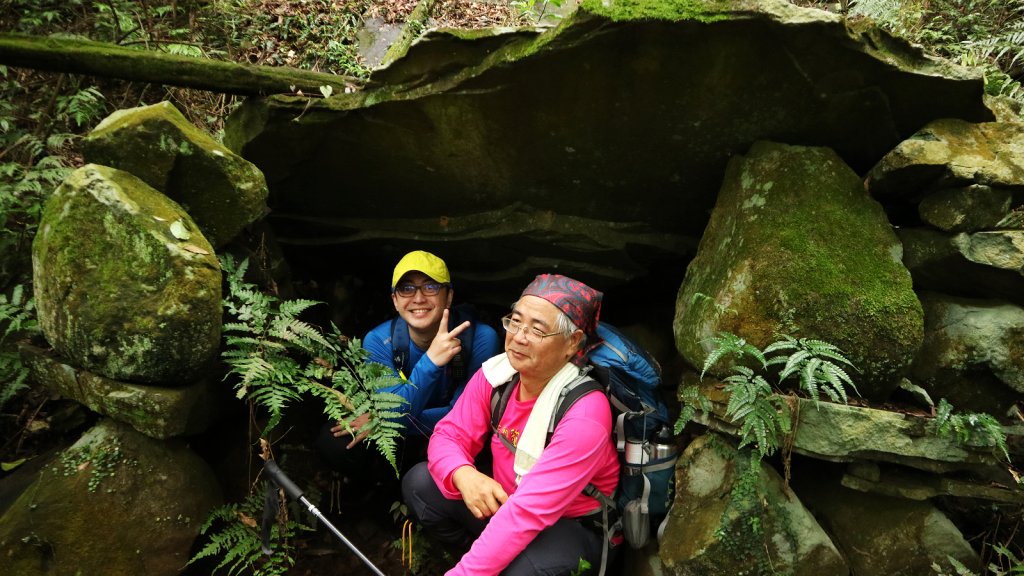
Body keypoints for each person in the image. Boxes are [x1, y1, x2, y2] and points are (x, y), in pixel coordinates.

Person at [401, 273, 619, 575]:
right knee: (421, 483)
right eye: (515, 321)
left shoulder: (585, 414)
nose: (518, 336)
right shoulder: (497, 376)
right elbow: (447, 435)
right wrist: (463, 474)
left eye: (537, 330)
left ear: (572, 343)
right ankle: (484, 558)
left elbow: (527, 513)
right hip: (509, 502)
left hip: (568, 526)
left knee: (521, 570)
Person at [317, 250, 500, 471]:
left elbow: (465, 417)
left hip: (453, 435)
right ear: (395, 300)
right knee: (335, 442)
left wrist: (382, 419)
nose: (419, 298)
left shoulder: (480, 339)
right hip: (401, 435)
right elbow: (391, 410)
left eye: (430, 287)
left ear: (449, 296)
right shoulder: (379, 341)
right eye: (406, 289)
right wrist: (430, 363)